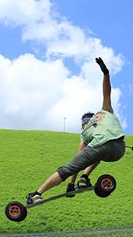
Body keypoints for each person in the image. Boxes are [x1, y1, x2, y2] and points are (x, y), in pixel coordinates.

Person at [26, 57, 125, 204]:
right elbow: (107, 94)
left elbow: (78, 158)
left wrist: (71, 184)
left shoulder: (85, 132)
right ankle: (84, 179)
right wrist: (106, 73)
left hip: (101, 146)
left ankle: (36, 194)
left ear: (85, 123)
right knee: (95, 156)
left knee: (66, 169)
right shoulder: (106, 112)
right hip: (118, 149)